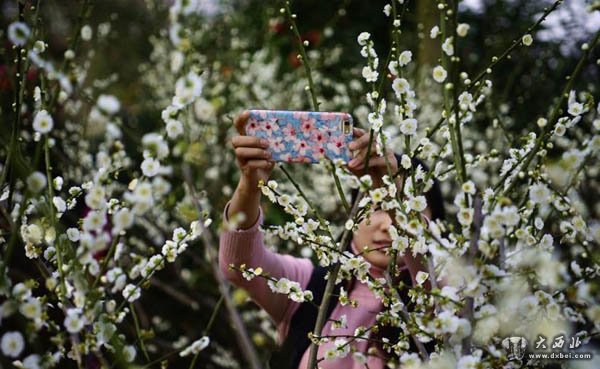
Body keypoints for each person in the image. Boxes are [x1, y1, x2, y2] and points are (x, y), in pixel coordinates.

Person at [219, 111, 444, 369]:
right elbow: (239, 265)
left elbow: (433, 294)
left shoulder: (452, 293)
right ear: (353, 216)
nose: (387, 224)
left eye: (403, 209)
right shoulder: (311, 287)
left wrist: (398, 200)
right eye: (377, 206)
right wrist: (250, 187)